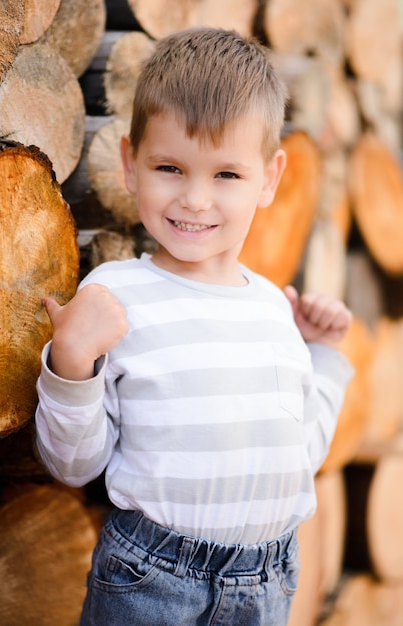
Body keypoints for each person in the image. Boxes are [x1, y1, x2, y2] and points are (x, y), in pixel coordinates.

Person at [35, 27, 353, 626]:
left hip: (268, 581)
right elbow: (74, 466)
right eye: (171, 167)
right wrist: (71, 367)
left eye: (226, 175)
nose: (196, 200)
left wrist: (326, 355)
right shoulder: (117, 296)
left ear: (269, 178)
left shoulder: (271, 312)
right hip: (151, 578)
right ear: (131, 164)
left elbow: (300, 452)